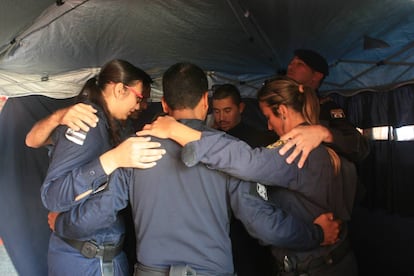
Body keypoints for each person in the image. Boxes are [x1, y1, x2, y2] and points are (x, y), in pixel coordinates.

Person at [50, 62, 340, 276]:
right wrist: (315, 234)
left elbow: (101, 210)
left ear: (164, 104)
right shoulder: (228, 153)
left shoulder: (135, 150)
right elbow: (262, 223)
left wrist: (62, 224)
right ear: (206, 102)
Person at [138, 76, 359, 275]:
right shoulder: (319, 145)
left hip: (317, 265)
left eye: (268, 117)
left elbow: (248, 163)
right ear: (206, 102)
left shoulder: (295, 151)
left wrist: (179, 131)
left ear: (282, 111)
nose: (269, 126)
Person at [37, 59, 166, 276]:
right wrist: (113, 159)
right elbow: (53, 196)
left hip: (97, 256)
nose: (139, 106)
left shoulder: (111, 127)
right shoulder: (88, 122)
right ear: (120, 89)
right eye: (139, 97)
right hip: (85, 261)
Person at [211, 83, 276, 275]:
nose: (221, 117)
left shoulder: (260, 141)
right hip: (221, 225)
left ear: (241, 108)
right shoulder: (211, 140)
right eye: (216, 111)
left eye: (227, 110)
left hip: (253, 227)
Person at [281, 48, 370, 167]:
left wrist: (325, 134)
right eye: (291, 63)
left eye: (299, 64)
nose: (291, 67)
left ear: (316, 76)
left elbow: (360, 147)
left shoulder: (327, 108)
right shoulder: (279, 105)